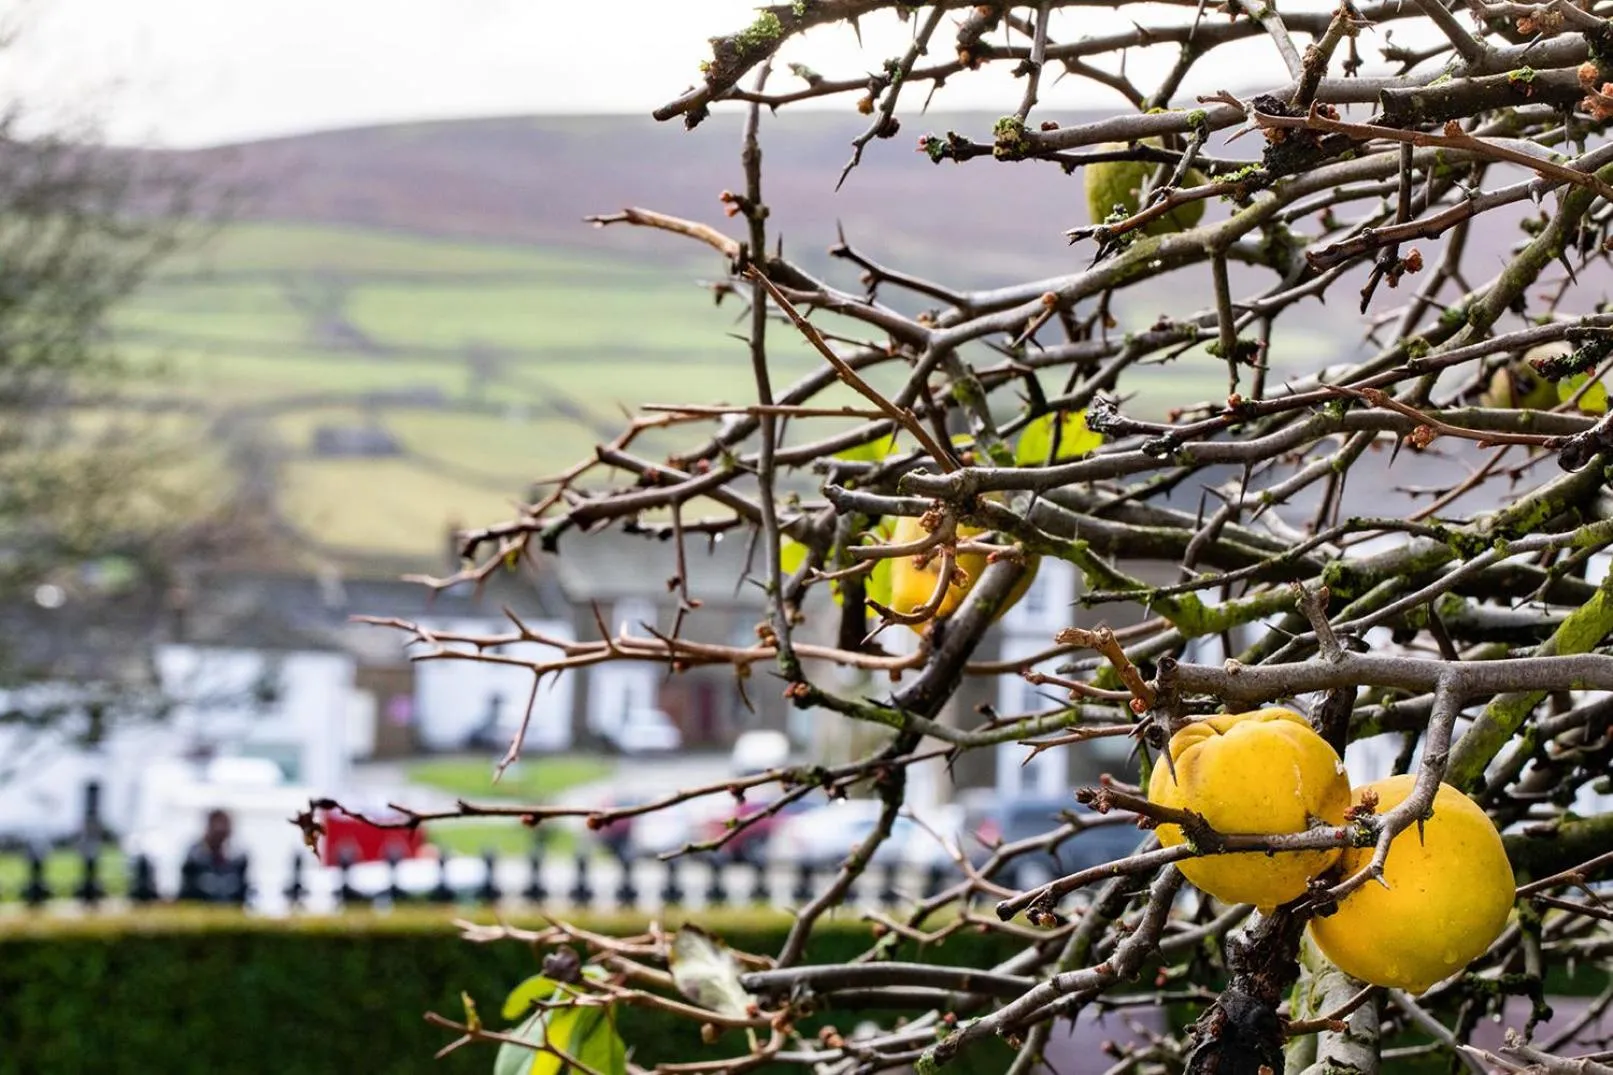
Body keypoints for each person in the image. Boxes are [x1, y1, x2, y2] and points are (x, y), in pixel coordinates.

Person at [177, 808, 250, 904]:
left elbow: (243, 892)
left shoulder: (238, 858)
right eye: (216, 825)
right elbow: (186, 892)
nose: (220, 829)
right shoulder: (194, 858)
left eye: (224, 825)